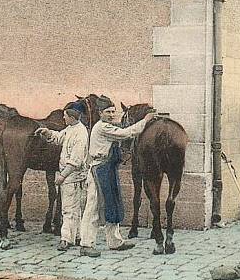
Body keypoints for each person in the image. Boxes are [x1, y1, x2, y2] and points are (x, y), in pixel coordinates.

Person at [78, 95, 154, 257]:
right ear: (100, 113)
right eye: (108, 112)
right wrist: (146, 120)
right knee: (93, 208)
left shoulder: (107, 126)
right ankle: (86, 244)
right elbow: (127, 133)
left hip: (108, 168)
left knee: (112, 204)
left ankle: (115, 241)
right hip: (99, 169)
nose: (112, 115)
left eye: (113, 111)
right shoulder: (102, 127)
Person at [34, 105, 89, 251]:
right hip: (72, 176)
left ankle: (66, 239)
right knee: (75, 208)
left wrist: (62, 176)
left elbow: (76, 161)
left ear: (72, 117)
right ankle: (77, 236)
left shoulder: (81, 134)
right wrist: (47, 133)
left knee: (68, 208)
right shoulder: (71, 129)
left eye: (65, 116)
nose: (63, 118)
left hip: (72, 176)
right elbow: (59, 138)